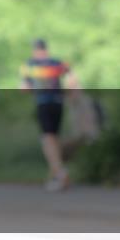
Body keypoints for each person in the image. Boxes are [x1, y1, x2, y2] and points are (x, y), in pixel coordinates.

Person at [20, 39, 70, 191]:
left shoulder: (30, 65)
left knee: (47, 139)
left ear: (35, 50)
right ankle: (54, 176)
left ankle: (60, 172)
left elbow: (24, 88)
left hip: (43, 103)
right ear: (46, 50)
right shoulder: (57, 63)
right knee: (54, 137)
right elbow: (72, 80)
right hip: (59, 103)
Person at [60, 74, 102, 162]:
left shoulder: (85, 103)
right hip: (82, 138)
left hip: (88, 138)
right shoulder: (74, 104)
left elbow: (89, 130)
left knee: (60, 147)